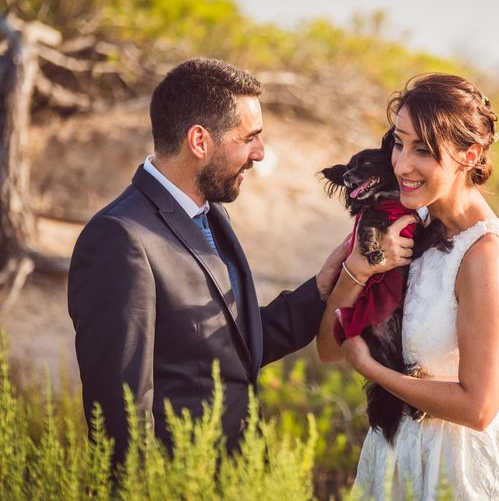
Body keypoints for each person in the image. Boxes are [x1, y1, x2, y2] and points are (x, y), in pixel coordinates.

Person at [67, 58, 410, 465]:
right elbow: (120, 409)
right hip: (180, 489)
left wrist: (321, 288)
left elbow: (234, 343)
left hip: (238, 477)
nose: (260, 154)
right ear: (200, 141)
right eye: (249, 138)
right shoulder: (120, 237)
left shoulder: (212, 215)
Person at [317, 74, 499, 501]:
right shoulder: (404, 227)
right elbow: (329, 348)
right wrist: (359, 270)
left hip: (455, 474)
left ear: (470, 156)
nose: (402, 164)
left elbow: (479, 408)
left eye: (423, 150)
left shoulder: (484, 257)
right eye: (399, 143)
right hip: (393, 462)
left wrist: (373, 371)